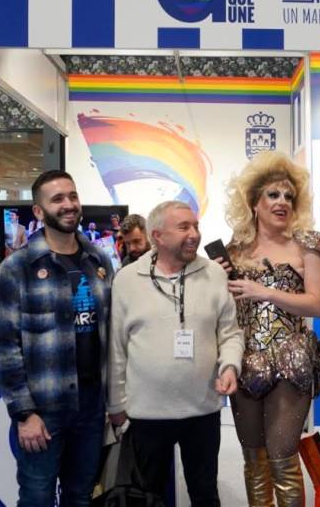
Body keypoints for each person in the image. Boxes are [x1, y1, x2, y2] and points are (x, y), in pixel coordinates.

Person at [108, 201, 244, 505]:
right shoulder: (127, 280)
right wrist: (116, 404)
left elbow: (230, 333)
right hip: (146, 414)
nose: (194, 234)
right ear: (158, 236)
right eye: (184, 227)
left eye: (195, 226)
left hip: (203, 410)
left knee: (205, 494)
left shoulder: (214, 274)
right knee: (146, 498)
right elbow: (117, 347)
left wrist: (230, 366)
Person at [0, 170, 114, 506]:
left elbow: (109, 334)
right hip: (43, 409)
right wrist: (24, 414)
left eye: (72, 196)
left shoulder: (99, 261)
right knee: (37, 498)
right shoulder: (18, 267)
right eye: (57, 199)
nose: (68, 205)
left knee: (81, 496)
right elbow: (5, 349)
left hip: (91, 406)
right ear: (38, 211)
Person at [219, 151, 320, 506]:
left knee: (283, 460)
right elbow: (225, 309)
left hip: (290, 362)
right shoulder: (235, 250)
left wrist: (265, 292)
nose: (282, 202)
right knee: (254, 462)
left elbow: (319, 304)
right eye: (273, 194)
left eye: (288, 196)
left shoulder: (307, 245)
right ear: (254, 203)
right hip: (245, 361)